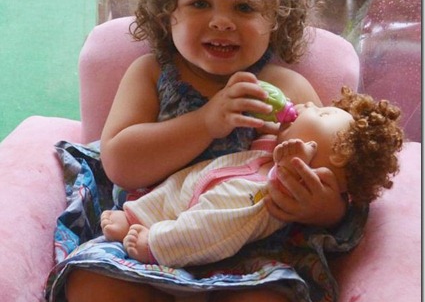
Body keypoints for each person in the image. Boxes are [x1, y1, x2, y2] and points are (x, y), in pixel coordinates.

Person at [64, 0, 355, 302]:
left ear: (276, 20)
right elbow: (118, 163)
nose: (221, 21)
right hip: (140, 252)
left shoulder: (287, 87)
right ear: (168, 13)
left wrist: (321, 207)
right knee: (90, 284)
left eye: (245, 7)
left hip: (248, 270)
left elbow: (331, 175)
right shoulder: (150, 75)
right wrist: (205, 122)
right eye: (200, 3)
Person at [100, 86, 403, 267]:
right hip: (203, 184)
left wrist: (295, 165)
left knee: (204, 227)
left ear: (338, 154)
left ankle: (160, 244)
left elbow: (287, 185)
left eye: (322, 113)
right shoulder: (272, 148)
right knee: (178, 187)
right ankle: (139, 215)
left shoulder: (294, 183)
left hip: (237, 208)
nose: (311, 104)